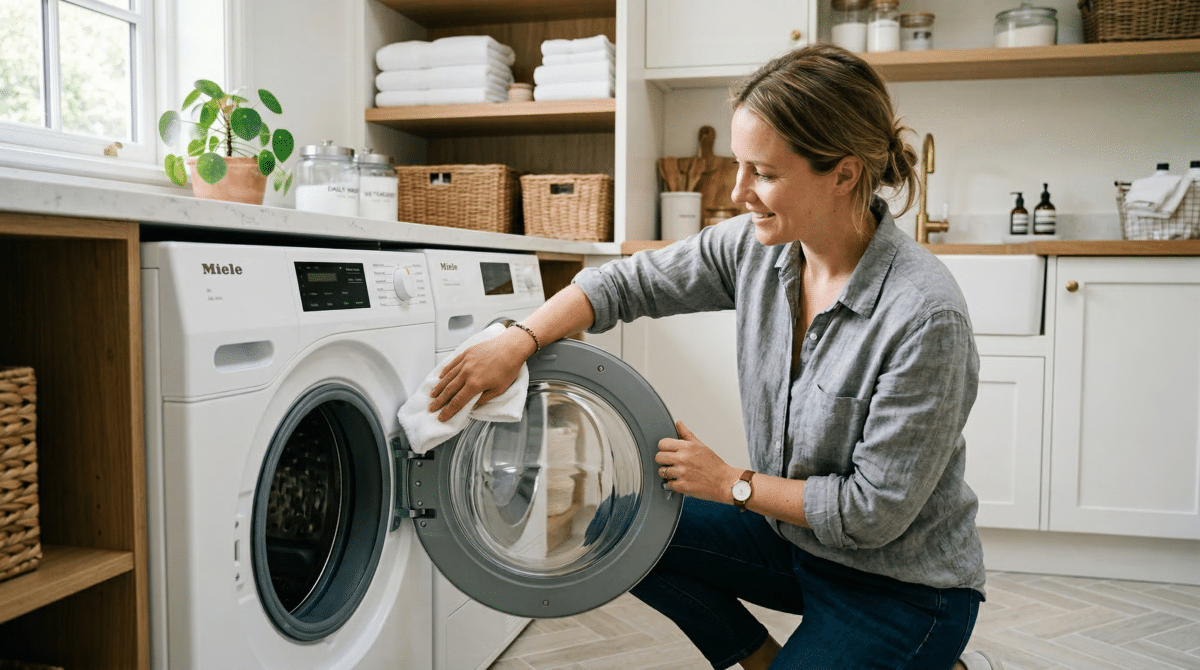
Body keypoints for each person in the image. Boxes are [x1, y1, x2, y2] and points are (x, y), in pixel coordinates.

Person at [428, 43, 1001, 670]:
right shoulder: (759, 249)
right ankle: (758, 659)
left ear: (843, 173)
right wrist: (518, 339)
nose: (737, 192)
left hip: (902, 588)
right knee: (617, 532)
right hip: (797, 544)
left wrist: (731, 483)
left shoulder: (923, 315)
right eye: (740, 165)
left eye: (764, 173)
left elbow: (873, 514)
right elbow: (622, 284)